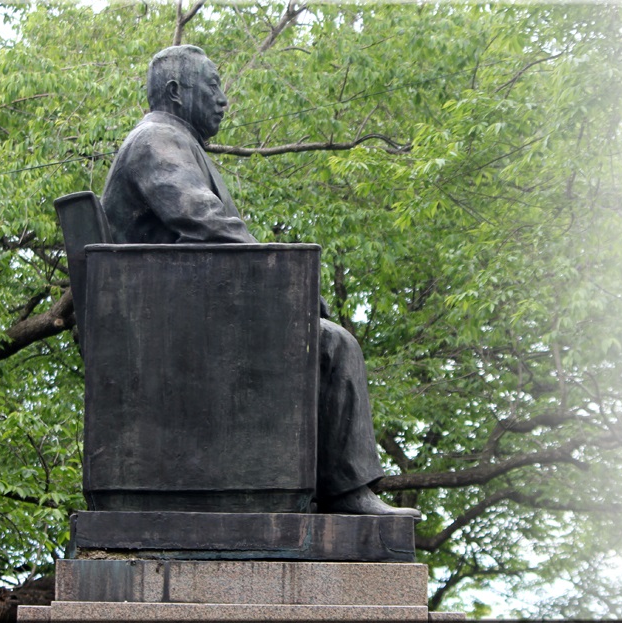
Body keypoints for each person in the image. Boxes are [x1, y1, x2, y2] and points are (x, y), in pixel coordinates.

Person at [101, 45, 418, 518]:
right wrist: (287, 280)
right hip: (167, 324)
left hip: (179, 310)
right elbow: (204, 220)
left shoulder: (176, 141)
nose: (223, 99)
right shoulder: (157, 140)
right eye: (213, 86)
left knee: (326, 339)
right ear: (176, 91)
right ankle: (346, 493)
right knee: (332, 345)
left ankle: (327, 489)